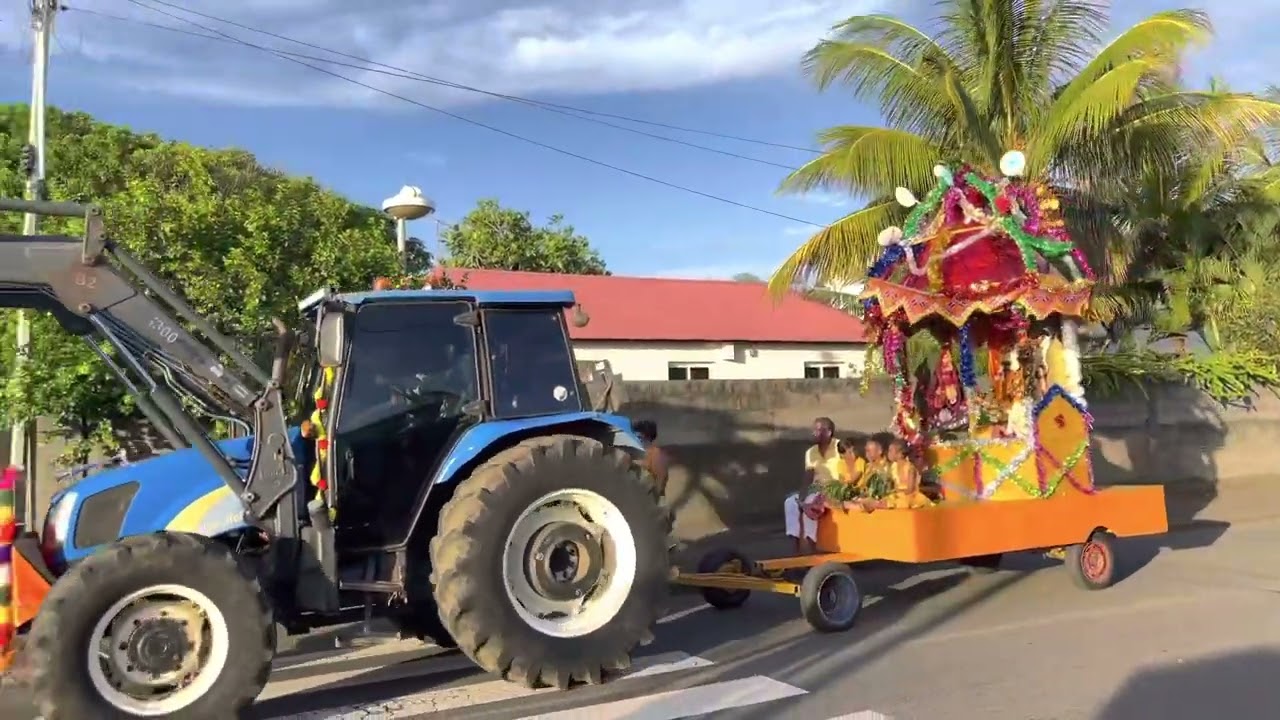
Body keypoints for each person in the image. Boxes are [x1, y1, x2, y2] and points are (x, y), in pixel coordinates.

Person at [783, 417, 841, 554]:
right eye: (814, 429)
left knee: (810, 502)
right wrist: (801, 497)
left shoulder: (840, 447)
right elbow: (808, 476)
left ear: (829, 432)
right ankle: (793, 546)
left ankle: (811, 546)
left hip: (835, 488)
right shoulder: (810, 452)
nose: (814, 433)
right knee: (790, 502)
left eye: (819, 429)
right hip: (816, 489)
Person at [858, 438, 932, 511]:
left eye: (890, 451)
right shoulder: (894, 466)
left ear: (900, 454)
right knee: (884, 500)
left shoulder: (910, 468)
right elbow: (891, 483)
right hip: (896, 495)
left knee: (893, 502)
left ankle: (870, 505)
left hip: (909, 496)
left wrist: (896, 491)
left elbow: (910, 489)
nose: (888, 453)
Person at [633, 419, 669, 498]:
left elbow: (660, 480)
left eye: (639, 437)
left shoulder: (657, 455)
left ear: (647, 438)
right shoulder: (637, 451)